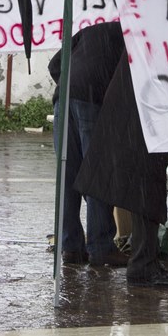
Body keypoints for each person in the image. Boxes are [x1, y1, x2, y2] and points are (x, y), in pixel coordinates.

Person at [76, 56, 168, 287]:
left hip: (139, 112)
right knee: (148, 189)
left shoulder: (141, 42)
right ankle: (143, 265)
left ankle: (144, 262)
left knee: (146, 189)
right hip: (144, 116)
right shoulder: (147, 43)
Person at [48, 21, 128, 267]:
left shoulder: (92, 28)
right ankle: (101, 247)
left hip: (65, 96)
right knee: (98, 173)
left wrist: (72, 82)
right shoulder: (135, 34)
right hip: (93, 97)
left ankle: (70, 247)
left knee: (68, 172)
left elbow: (54, 64)